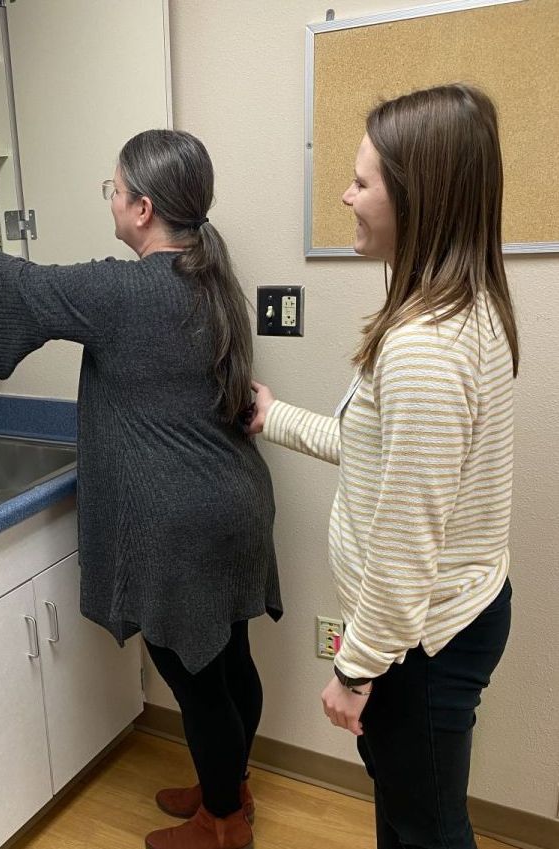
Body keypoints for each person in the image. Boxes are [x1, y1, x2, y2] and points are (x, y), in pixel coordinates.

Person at [0, 129, 280, 849]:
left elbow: (20, 284)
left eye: (114, 189)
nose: (112, 200)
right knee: (230, 657)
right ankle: (232, 787)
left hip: (180, 520)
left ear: (143, 208)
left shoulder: (122, 288)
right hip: (237, 504)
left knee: (194, 677)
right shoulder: (214, 275)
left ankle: (221, 826)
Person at [248, 84, 516, 849]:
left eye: (362, 182)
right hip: (446, 619)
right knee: (407, 816)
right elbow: (383, 452)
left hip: (422, 641)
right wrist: (274, 417)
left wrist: (355, 668)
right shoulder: (462, 304)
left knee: (429, 828)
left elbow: (406, 544)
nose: (344, 195)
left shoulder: (424, 347)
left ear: (417, 197)